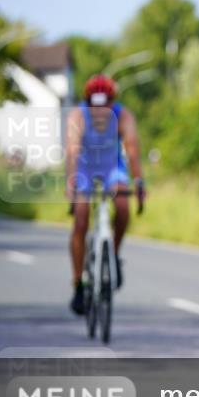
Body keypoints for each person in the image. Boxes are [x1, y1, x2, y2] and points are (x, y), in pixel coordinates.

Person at [65, 74, 145, 315]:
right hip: (86, 168)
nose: (100, 111)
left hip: (112, 167)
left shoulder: (123, 115)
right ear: (87, 102)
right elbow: (72, 152)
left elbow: (132, 151)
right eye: (94, 105)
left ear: (112, 102)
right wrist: (72, 184)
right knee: (81, 217)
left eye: (106, 104)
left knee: (122, 207)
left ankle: (114, 254)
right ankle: (79, 283)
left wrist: (139, 182)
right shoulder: (78, 116)